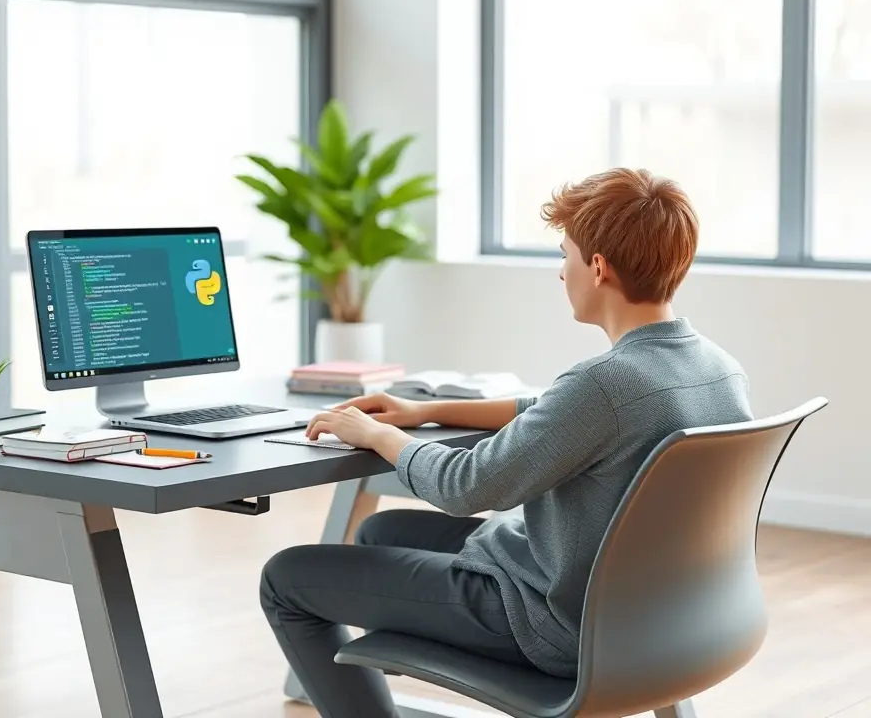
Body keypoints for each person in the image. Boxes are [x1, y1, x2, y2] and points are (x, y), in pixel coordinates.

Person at [260, 167, 753, 718]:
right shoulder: (714, 367)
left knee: (286, 577)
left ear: (597, 267)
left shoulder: (604, 385)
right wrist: (429, 410)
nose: (560, 273)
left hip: (555, 623)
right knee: (381, 529)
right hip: (655, 618)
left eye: (564, 255)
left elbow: (465, 487)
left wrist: (379, 434)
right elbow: (553, 413)